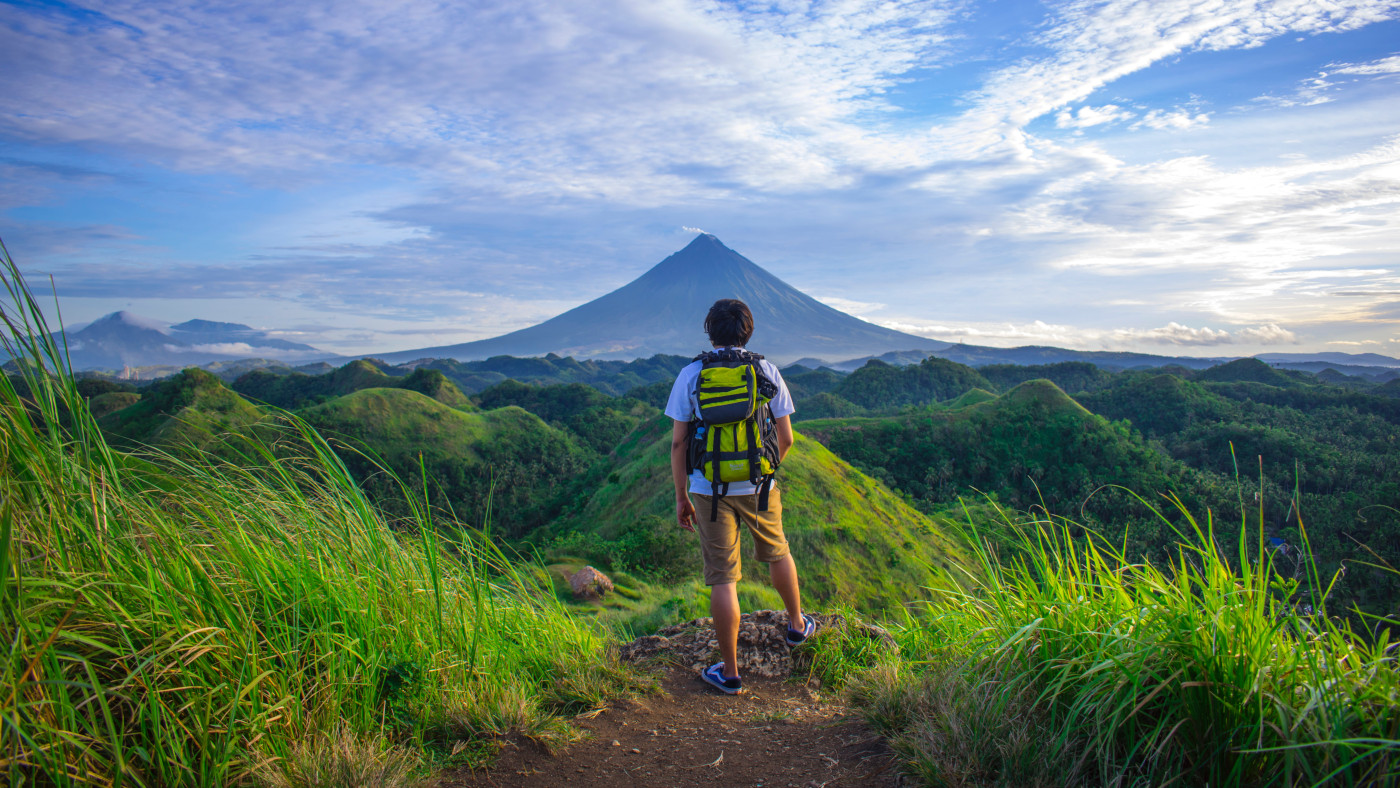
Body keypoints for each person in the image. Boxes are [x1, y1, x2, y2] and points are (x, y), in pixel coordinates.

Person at [664, 298, 814, 695]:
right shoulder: (765, 369)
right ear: (748, 330)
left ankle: (730, 673)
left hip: (707, 489)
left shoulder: (692, 373)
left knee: (723, 578)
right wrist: (764, 472)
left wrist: (681, 495)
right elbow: (787, 438)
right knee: (778, 551)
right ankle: (797, 626)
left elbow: (679, 444)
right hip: (759, 486)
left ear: (710, 331)